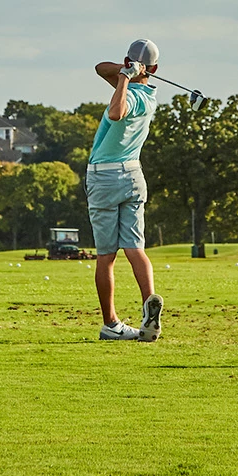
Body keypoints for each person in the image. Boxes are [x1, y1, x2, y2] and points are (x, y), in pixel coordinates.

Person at [86, 39, 165, 342]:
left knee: (106, 257)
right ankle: (149, 305)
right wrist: (125, 72)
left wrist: (123, 76)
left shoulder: (130, 97)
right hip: (133, 175)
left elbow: (117, 112)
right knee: (135, 248)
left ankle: (111, 323)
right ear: (155, 70)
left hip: (104, 178)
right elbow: (98, 68)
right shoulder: (149, 95)